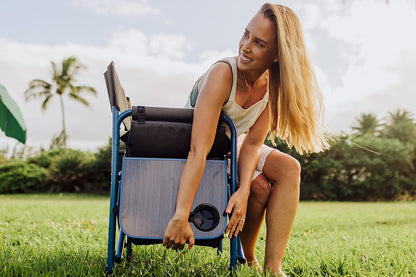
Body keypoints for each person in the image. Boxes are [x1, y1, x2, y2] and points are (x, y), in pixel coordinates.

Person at [162, 3, 328, 276]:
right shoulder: (222, 74)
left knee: (290, 168)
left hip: (232, 146)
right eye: (246, 34)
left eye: (259, 43)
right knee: (261, 187)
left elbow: (251, 144)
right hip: (200, 147)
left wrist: (243, 190)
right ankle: (247, 256)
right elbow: (198, 149)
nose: (246, 46)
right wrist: (181, 215)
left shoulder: (273, 87)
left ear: (276, 55)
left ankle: (273, 269)